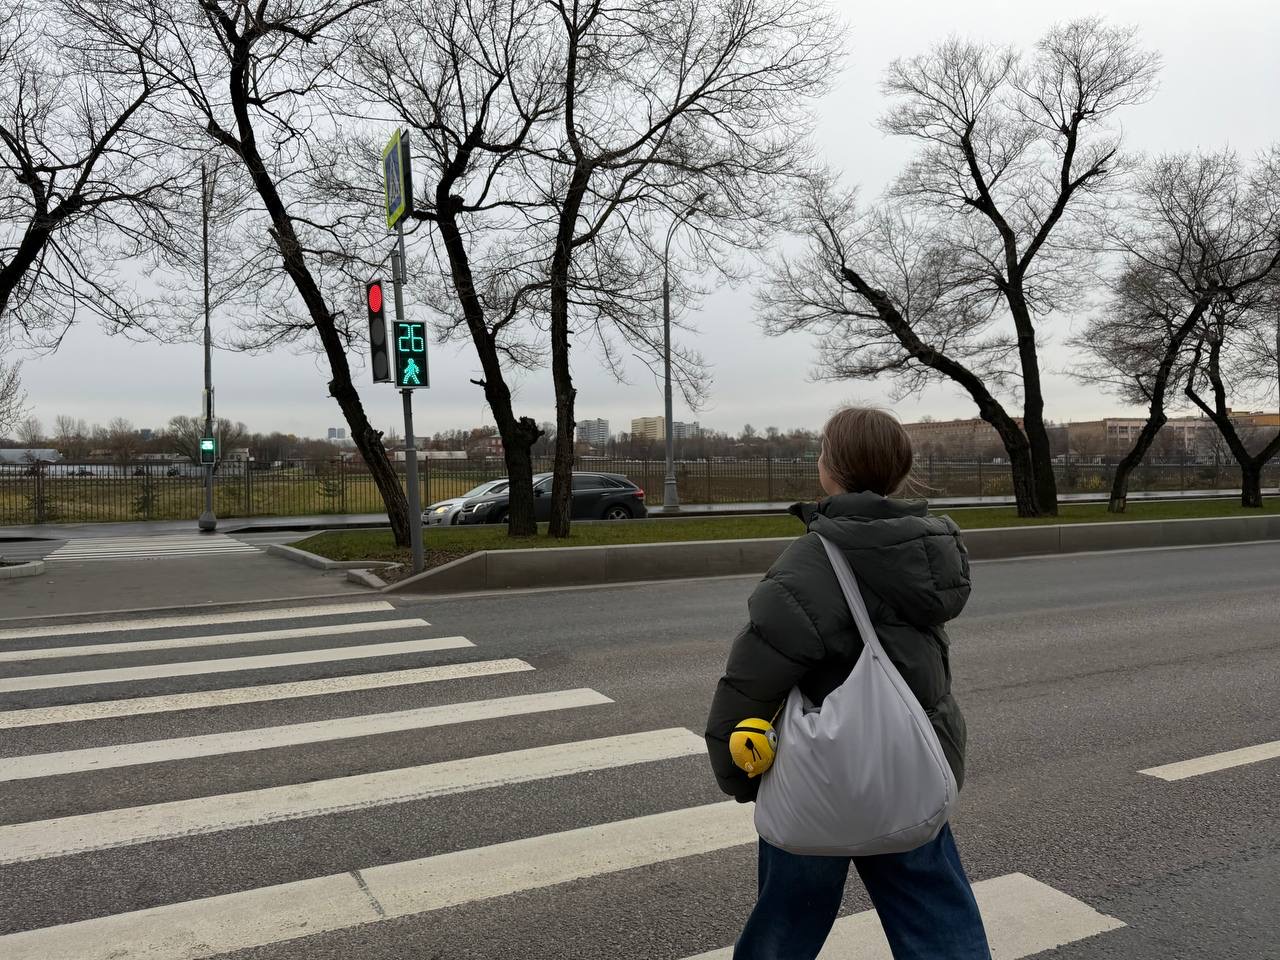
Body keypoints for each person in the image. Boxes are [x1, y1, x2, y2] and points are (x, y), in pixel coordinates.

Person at [705, 407, 991, 960]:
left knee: (786, 924)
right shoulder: (929, 552)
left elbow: (751, 684)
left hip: (817, 781)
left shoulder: (808, 565)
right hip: (907, 767)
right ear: (898, 471)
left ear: (829, 469)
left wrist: (737, 776)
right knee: (936, 919)